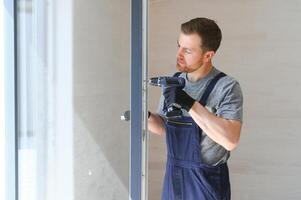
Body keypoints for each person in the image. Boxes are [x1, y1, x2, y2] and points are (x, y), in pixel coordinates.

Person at [148, 17, 243, 200]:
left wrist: (189, 103)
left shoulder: (227, 87)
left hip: (205, 182)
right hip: (174, 176)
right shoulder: (175, 80)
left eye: (188, 50)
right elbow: (164, 128)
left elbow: (230, 140)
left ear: (208, 55)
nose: (179, 55)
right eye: (179, 46)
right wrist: (146, 116)